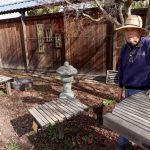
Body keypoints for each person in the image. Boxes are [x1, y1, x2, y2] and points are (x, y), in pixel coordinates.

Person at [115, 15, 150, 150]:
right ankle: (126, 143)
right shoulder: (125, 48)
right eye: (127, 30)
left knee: (139, 123)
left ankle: (122, 145)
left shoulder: (148, 44)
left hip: (143, 92)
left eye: (133, 29)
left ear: (140, 32)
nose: (129, 32)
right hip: (128, 90)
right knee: (127, 119)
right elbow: (122, 68)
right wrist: (119, 87)